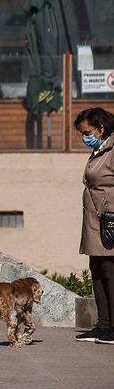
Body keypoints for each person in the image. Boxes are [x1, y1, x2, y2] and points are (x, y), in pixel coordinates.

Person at [74, 107, 114, 345]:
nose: (84, 137)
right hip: (94, 221)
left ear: (101, 128)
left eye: (86, 132)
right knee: (97, 272)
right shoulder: (100, 149)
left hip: (109, 222)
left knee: (110, 272)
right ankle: (103, 326)